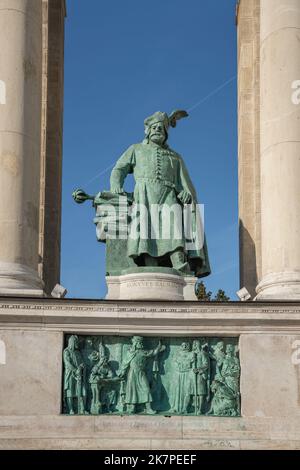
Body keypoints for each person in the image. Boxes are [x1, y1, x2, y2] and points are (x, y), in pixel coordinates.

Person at [110, 110, 210, 277]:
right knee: (146, 229)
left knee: (174, 226)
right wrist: (116, 185)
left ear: (165, 134)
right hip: (144, 195)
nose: (158, 130)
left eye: (161, 128)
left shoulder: (175, 157)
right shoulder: (136, 149)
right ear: (148, 131)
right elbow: (119, 169)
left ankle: (179, 262)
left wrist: (186, 194)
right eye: (155, 127)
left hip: (168, 195)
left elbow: (185, 183)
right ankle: (150, 265)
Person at [118, 336, 165, 414]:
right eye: (138, 342)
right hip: (132, 373)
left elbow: (154, 352)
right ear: (135, 343)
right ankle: (132, 407)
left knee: (146, 389)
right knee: (132, 390)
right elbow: (125, 363)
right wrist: (122, 372)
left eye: (141, 342)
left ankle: (149, 408)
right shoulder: (130, 353)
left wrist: (159, 345)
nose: (140, 344)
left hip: (141, 373)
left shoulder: (143, 352)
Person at [63, 335, 87, 415]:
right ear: (72, 342)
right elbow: (67, 363)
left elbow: (82, 362)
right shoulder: (66, 351)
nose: (77, 343)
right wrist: (75, 370)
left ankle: (83, 408)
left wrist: (81, 366)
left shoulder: (78, 352)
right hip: (70, 374)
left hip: (79, 375)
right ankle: (71, 409)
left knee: (82, 391)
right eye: (76, 342)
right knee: (70, 391)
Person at [169, 342, 195, 414]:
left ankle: (185, 408)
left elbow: (192, 364)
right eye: (183, 345)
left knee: (186, 391)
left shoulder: (191, 354)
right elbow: (174, 363)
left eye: (186, 345)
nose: (185, 346)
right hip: (178, 374)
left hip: (188, 374)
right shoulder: (177, 354)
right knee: (176, 390)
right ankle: (174, 407)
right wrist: (179, 365)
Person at [192, 340, 210, 415]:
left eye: (196, 344)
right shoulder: (193, 354)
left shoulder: (202, 353)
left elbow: (206, 364)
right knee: (193, 392)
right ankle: (194, 407)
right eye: (194, 344)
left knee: (201, 392)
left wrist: (198, 369)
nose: (195, 346)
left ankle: (200, 409)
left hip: (200, 375)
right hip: (192, 376)